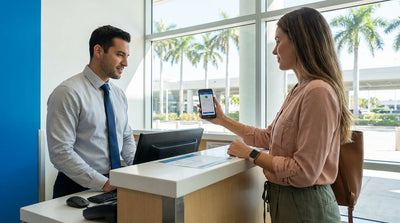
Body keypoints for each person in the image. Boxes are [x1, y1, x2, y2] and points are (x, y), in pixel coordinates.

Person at [199, 7, 353, 223]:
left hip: (307, 207)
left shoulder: (318, 91)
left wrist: (251, 154)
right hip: (289, 202)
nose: (274, 51)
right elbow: (267, 137)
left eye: (278, 41)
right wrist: (222, 120)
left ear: (299, 41)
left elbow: (304, 171)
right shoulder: (299, 90)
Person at [46, 25, 136, 198]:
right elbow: (60, 152)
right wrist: (103, 183)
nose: (125, 63)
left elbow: (125, 138)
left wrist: (139, 171)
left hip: (115, 183)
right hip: (77, 187)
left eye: (126, 56)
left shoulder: (119, 95)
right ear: (98, 51)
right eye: (119, 55)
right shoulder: (68, 92)